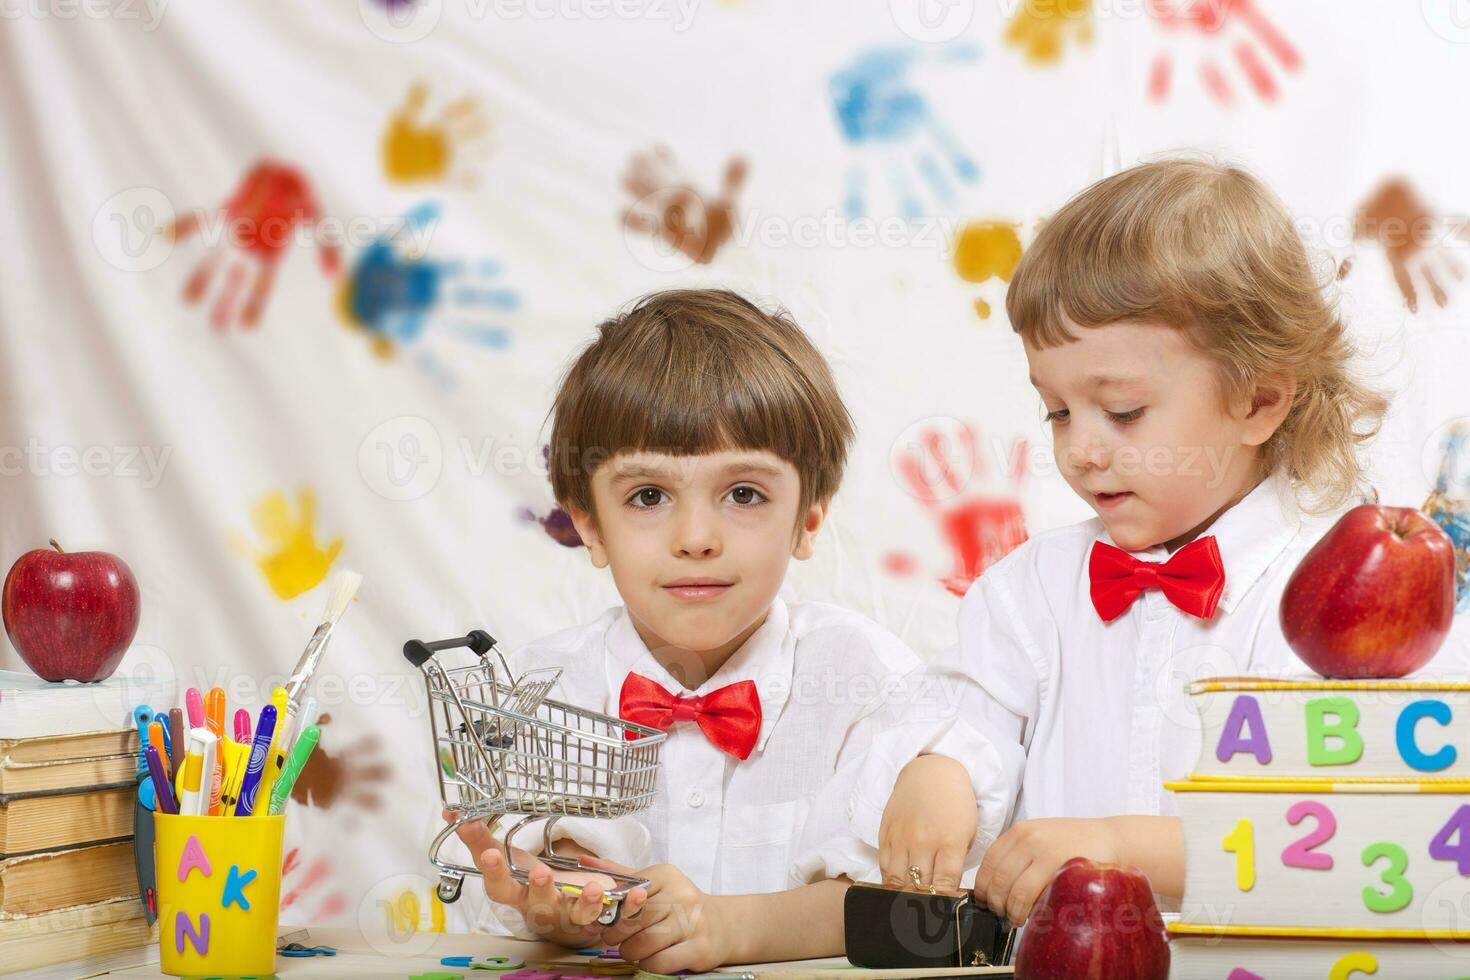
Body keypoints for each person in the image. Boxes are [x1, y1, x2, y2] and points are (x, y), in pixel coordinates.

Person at [877, 158, 1412, 927]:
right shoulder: (1032, 591)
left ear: (1258, 400)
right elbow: (970, 710)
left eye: (1122, 411)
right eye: (1057, 411)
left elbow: (1326, 837)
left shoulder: (1330, 602)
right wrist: (940, 768)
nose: (1082, 450)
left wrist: (1122, 844)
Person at [451, 288, 988, 972]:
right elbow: (527, 877)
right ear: (589, 524)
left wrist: (938, 771)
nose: (697, 538)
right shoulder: (540, 691)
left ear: (809, 520)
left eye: (744, 494)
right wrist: (563, 908)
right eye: (648, 496)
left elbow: (907, 905)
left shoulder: (861, 673)